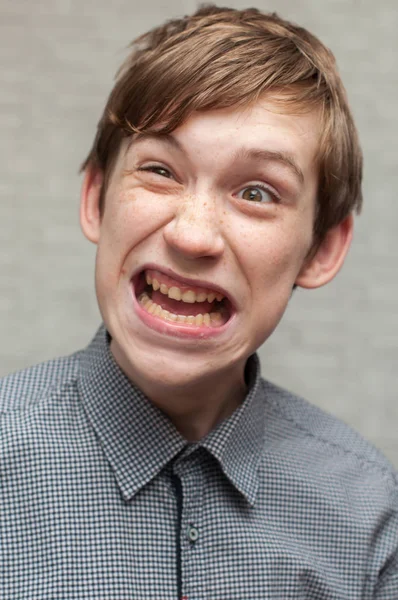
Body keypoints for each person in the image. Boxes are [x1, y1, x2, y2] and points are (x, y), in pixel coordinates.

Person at [1, 5, 397, 599]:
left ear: (320, 249)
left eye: (257, 192)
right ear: (96, 198)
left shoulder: (369, 509)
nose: (192, 234)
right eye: (160, 170)